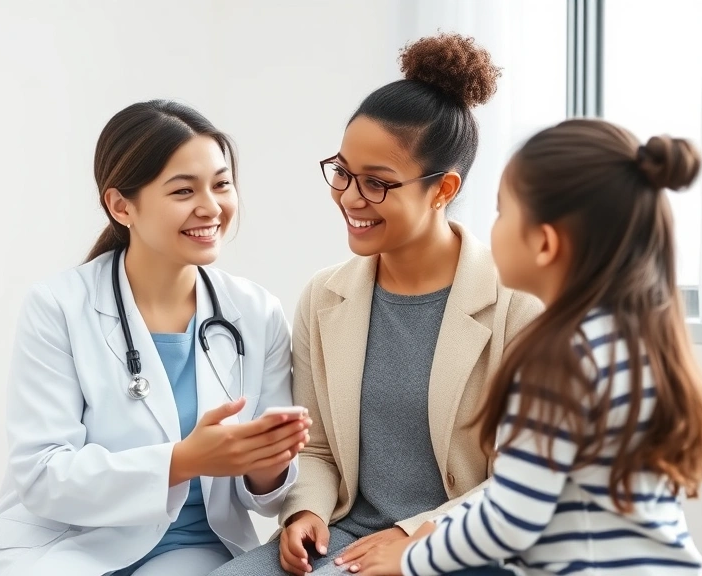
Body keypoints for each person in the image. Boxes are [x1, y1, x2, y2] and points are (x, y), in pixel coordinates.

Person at [209, 33, 542, 576]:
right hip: (344, 536)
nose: (349, 197)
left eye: (377, 183)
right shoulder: (324, 297)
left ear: (442, 189)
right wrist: (305, 513)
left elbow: (518, 482)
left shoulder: (516, 309)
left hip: (457, 541)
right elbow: (314, 449)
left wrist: (412, 540)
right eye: (342, 172)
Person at [356, 119, 702, 575]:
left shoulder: (560, 359)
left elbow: (511, 519)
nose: (489, 229)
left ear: (545, 243)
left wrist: (411, 558)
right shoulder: (634, 339)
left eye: (501, 212)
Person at [0, 100, 312, 576]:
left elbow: (267, 497)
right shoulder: (58, 306)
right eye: (183, 191)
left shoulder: (256, 313)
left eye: (221, 184)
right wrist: (182, 460)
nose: (211, 207)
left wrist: (268, 461)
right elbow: (43, 475)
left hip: (190, 548)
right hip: (66, 543)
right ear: (121, 205)